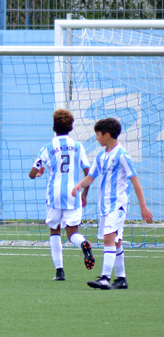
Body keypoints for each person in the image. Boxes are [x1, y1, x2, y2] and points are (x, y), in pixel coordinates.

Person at [72, 117, 153, 290]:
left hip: (118, 205)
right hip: (105, 206)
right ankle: (121, 279)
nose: (96, 138)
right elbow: (91, 177)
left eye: (98, 135)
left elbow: (135, 181)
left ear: (107, 135)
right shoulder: (101, 155)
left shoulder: (122, 155)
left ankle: (105, 278)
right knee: (115, 242)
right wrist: (79, 185)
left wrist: (143, 206)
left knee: (108, 238)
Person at [28, 109, 94, 281]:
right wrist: (85, 194)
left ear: (53, 127)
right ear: (71, 128)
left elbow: (32, 173)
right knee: (72, 232)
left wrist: (40, 172)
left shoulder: (47, 148)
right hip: (74, 194)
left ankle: (60, 272)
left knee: (54, 230)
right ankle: (83, 243)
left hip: (54, 195)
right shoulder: (78, 146)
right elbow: (89, 173)